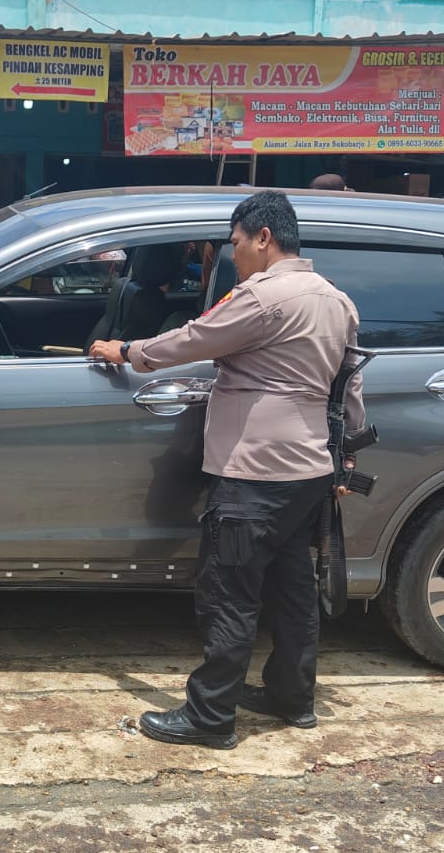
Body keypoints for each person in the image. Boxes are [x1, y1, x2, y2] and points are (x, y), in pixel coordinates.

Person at [89, 191, 364, 749]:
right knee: (293, 595)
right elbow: (349, 386)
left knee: (229, 595)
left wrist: (126, 351)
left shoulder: (263, 298)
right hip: (308, 472)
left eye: (236, 244)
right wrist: (347, 454)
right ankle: (293, 699)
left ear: (264, 237)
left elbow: (195, 339)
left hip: (253, 472)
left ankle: (210, 717)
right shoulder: (338, 301)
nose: (232, 255)